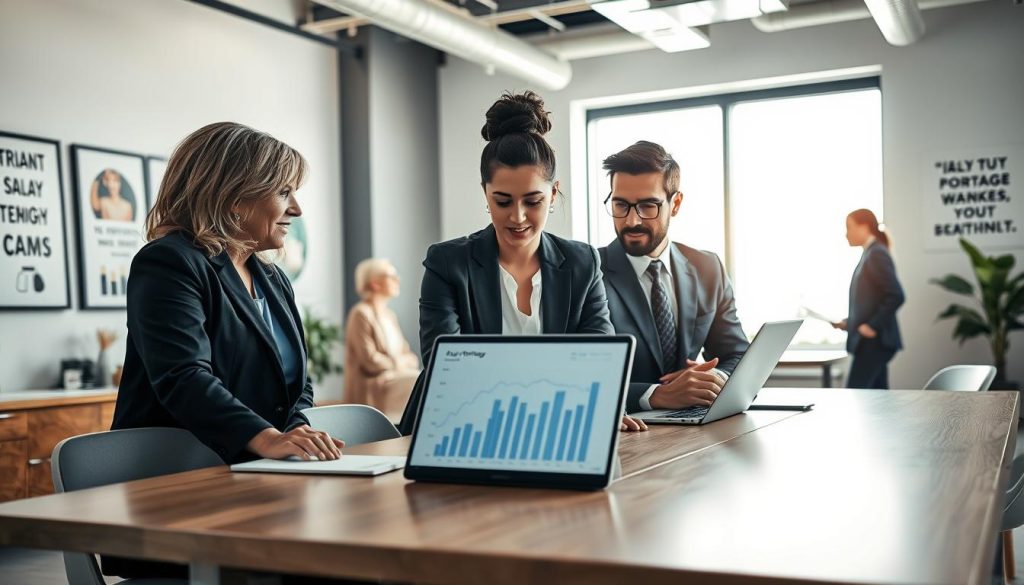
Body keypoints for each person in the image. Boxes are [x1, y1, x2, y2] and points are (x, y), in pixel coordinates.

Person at [398, 91, 646, 435]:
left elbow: (597, 361)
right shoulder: (447, 263)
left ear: (554, 194)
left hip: (553, 427)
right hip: (456, 427)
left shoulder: (581, 263)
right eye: (502, 201)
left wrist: (599, 405)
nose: (517, 217)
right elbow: (447, 368)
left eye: (533, 201)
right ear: (486, 193)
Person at [598, 141, 749, 414]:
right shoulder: (587, 271)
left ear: (675, 203)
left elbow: (737, 354)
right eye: (621, 205)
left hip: (698, 430)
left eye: (648, 206)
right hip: (626, 435)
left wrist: (714, 379)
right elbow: (579, 374)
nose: (632, 221)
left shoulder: (708, 267)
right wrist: (657, 395)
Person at [832, 209, 905, 389]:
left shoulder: (876, 254)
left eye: (849, 227)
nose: (846, 234)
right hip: (873, 342)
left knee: (856, 394)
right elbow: (870, 302)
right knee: (879, 400)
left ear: (864, 227)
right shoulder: (870, 253)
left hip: (875, 342)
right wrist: (849, 323)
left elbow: (896, 294)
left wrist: (873, 325)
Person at [343, 258, 421, 413]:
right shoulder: (360, 314)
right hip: (374, 389)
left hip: (392, 379)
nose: (398, 279)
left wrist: (396, 365)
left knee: (422, 379)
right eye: (391, 276)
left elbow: (411, 357)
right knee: (417, 381)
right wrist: (399, 364)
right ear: (375, 283)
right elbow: (370, 361)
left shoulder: (389, 315)